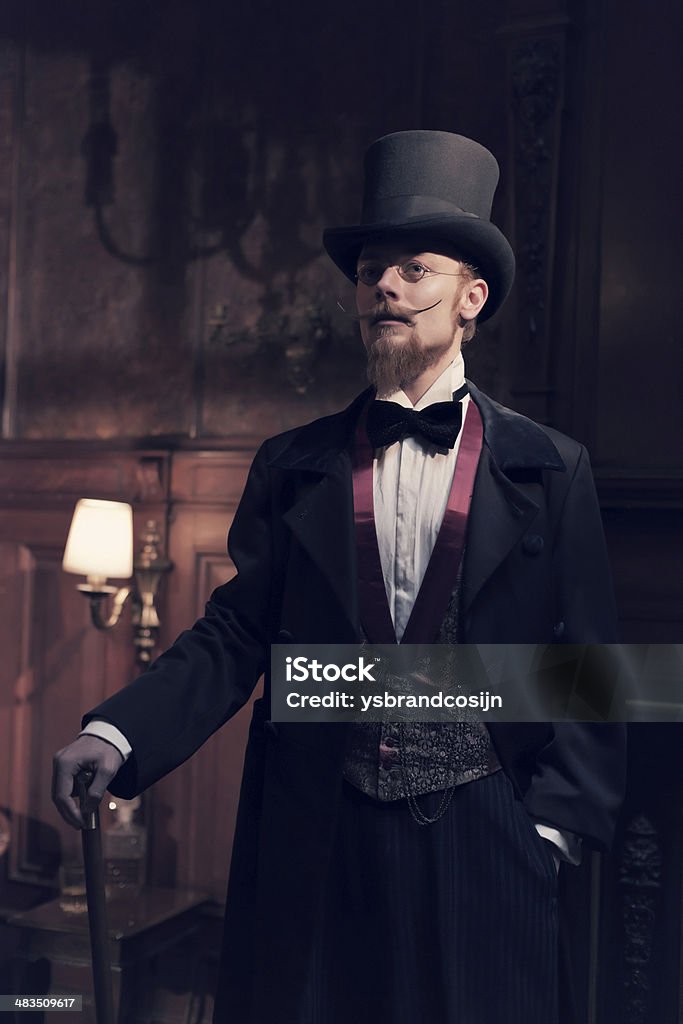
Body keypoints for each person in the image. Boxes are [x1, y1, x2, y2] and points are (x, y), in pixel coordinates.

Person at [53, 130, 626, 1024]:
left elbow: (584, 659)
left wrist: (550, 830)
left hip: (486, 836)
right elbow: (238, 632)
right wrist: (118, 736)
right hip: (318, 829)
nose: (384, 288)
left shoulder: (552, 467)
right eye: (369, 274)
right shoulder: (292, 463)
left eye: (414, 270)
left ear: (471, 298)